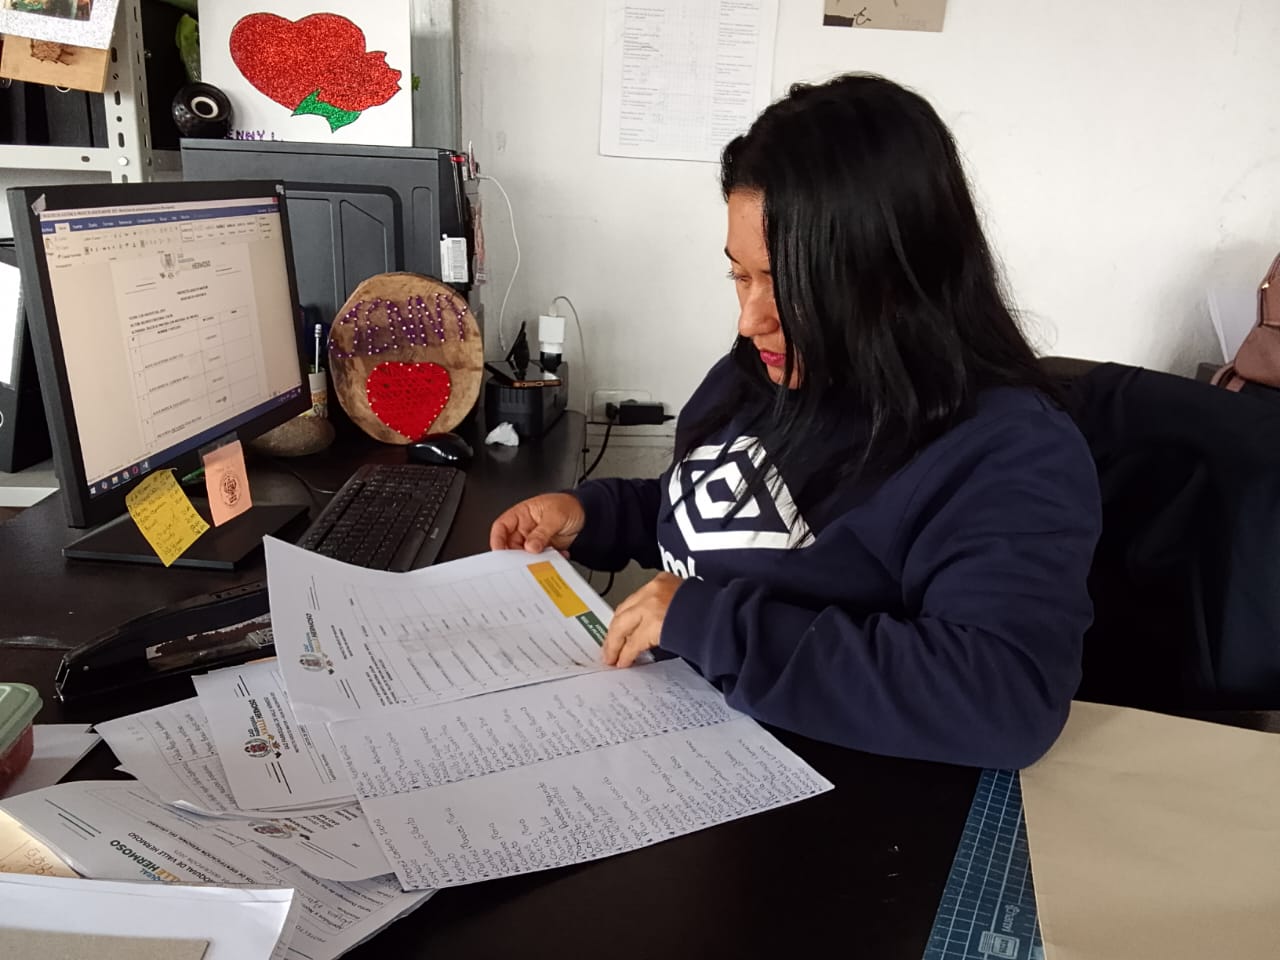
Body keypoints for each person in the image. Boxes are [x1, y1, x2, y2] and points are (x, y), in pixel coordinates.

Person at [489, 74, 1102, 769]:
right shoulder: (760, 375)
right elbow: (719, 511)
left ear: (897, 278)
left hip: (837, 800)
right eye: (740, 277)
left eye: (789, 285)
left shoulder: (1006, 451)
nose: (751, 320)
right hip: (688, 744)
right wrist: (598, 515)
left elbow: (1003, 701)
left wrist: (710, 625)